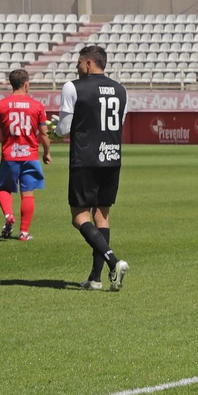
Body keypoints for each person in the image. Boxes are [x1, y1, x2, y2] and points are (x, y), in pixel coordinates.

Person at [57, 45, 129, 291]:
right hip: (112, 157)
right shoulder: (121, 90)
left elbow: (64, 129)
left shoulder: (72, 87)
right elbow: (118, 123)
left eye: (78, 62)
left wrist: (54, 130)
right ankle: (96, 278)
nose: (76, 67)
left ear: (88, 64)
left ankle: (114, 261)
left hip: (86, 158)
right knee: (102, 215)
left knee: (79, 217)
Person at [0, 68, 50, 241]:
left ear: (11, 84)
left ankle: (9, 215)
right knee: (28, 193)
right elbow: (44, 134)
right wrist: (47, 153)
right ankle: (24, 233)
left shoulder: (0, 105)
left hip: (9, 155)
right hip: (30, 155)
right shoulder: (37, 106)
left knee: (4, 189)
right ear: (26, 84)